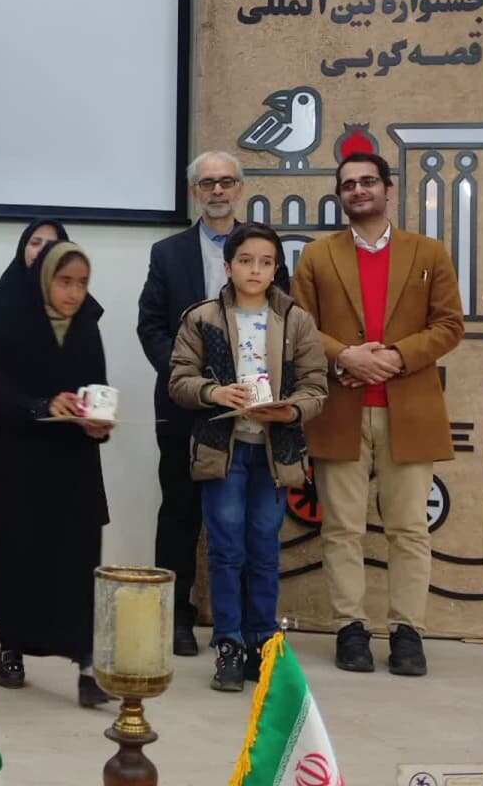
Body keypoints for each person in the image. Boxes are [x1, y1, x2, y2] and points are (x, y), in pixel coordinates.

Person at [292, 152, 464, 677]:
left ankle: (408, 632)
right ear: (339, 195)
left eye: (368, 181)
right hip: (339, 410)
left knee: (409, 529)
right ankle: (351, 629)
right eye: (349, 184)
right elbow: (299, 326)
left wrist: (393, 357)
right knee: (341, 528)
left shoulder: (429, 252)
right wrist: (346, 356)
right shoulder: (318, 256)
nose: (359, 190)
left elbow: (449, 325)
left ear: (388, 189)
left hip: (409, 409)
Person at [136, 151, 288, 655]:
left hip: (253, 412)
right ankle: (177, 617)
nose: (217, 190)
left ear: (240, 188)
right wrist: (189, 377)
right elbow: (150, 325)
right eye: (207, 183)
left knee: (249, 524)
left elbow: (285, 319)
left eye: (226, 181)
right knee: (179, 513)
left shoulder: (262, 247)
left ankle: (244, 628)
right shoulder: (167, 253)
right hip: (184, 407)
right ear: (194, 192)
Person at [169, 223, 328, 692]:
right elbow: (179, 380)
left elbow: (316, 387)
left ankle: (263, 643)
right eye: (245, 261)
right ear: (228, 266)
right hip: (224, 450)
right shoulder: (202, 317)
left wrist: (290, 409)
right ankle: (229, 645)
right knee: (225, 550)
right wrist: (214, 392)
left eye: (265, 262)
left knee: (263, 547)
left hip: (275, 452)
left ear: (276, 269)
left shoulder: (296, 320)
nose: (255, 270)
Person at [0, 239, 114, 707]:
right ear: (44, 279)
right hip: (20, 461)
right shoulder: (13, 321)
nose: (73, 293)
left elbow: (97, 389)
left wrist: (97, 423)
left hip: (73, 464)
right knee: (18, 558)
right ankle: (11, 648)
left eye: (82, 283)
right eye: (64, 281)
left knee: (79, 560)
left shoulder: (86, 326)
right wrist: (41, 405)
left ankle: (87, 667)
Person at [0, 219, 68, 532]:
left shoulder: (77, 302)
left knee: (59, 533)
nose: (41, 250)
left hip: (63, 433)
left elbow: (85, 364)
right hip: (9, 427)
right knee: (8, 535)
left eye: (51, 244)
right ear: (23, 248)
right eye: (35, 242)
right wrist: (26, 404)